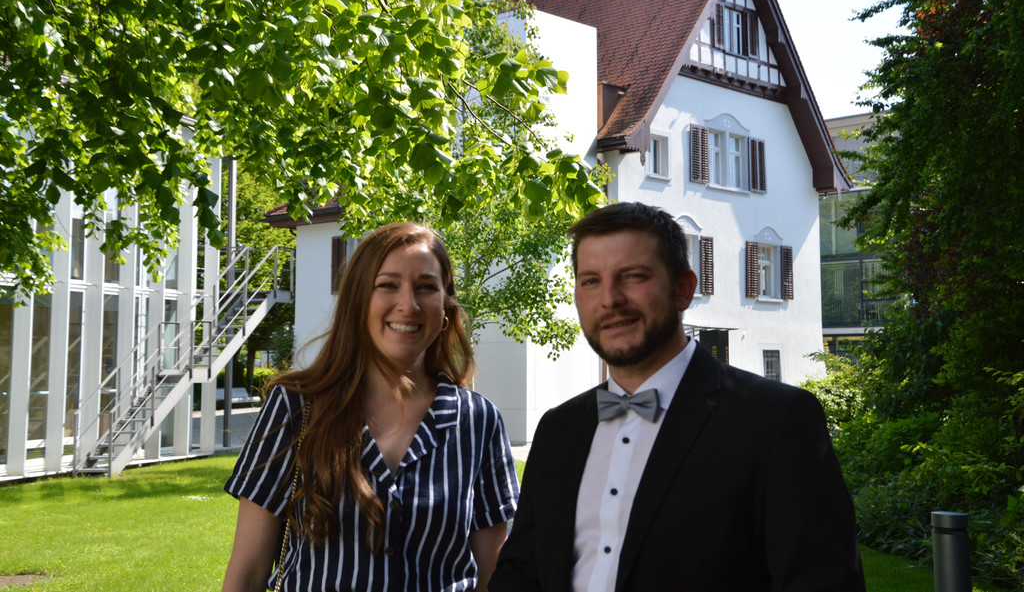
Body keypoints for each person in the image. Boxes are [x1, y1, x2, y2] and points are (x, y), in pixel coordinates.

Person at [490, 202, 865, 592]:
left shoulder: (777, 422)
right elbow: (520, 573)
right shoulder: (557, 429)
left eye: (633, 276)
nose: (609, 299)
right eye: (590, 281)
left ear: (683, 289)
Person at [223, 222, 518, 592]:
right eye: (388, 285)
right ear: (358, 300)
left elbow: (492, 576)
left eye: (426, 287)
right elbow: (248, 574)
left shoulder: (479, 421)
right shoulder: (296, 407)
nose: (408, 304)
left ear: (445, 307)